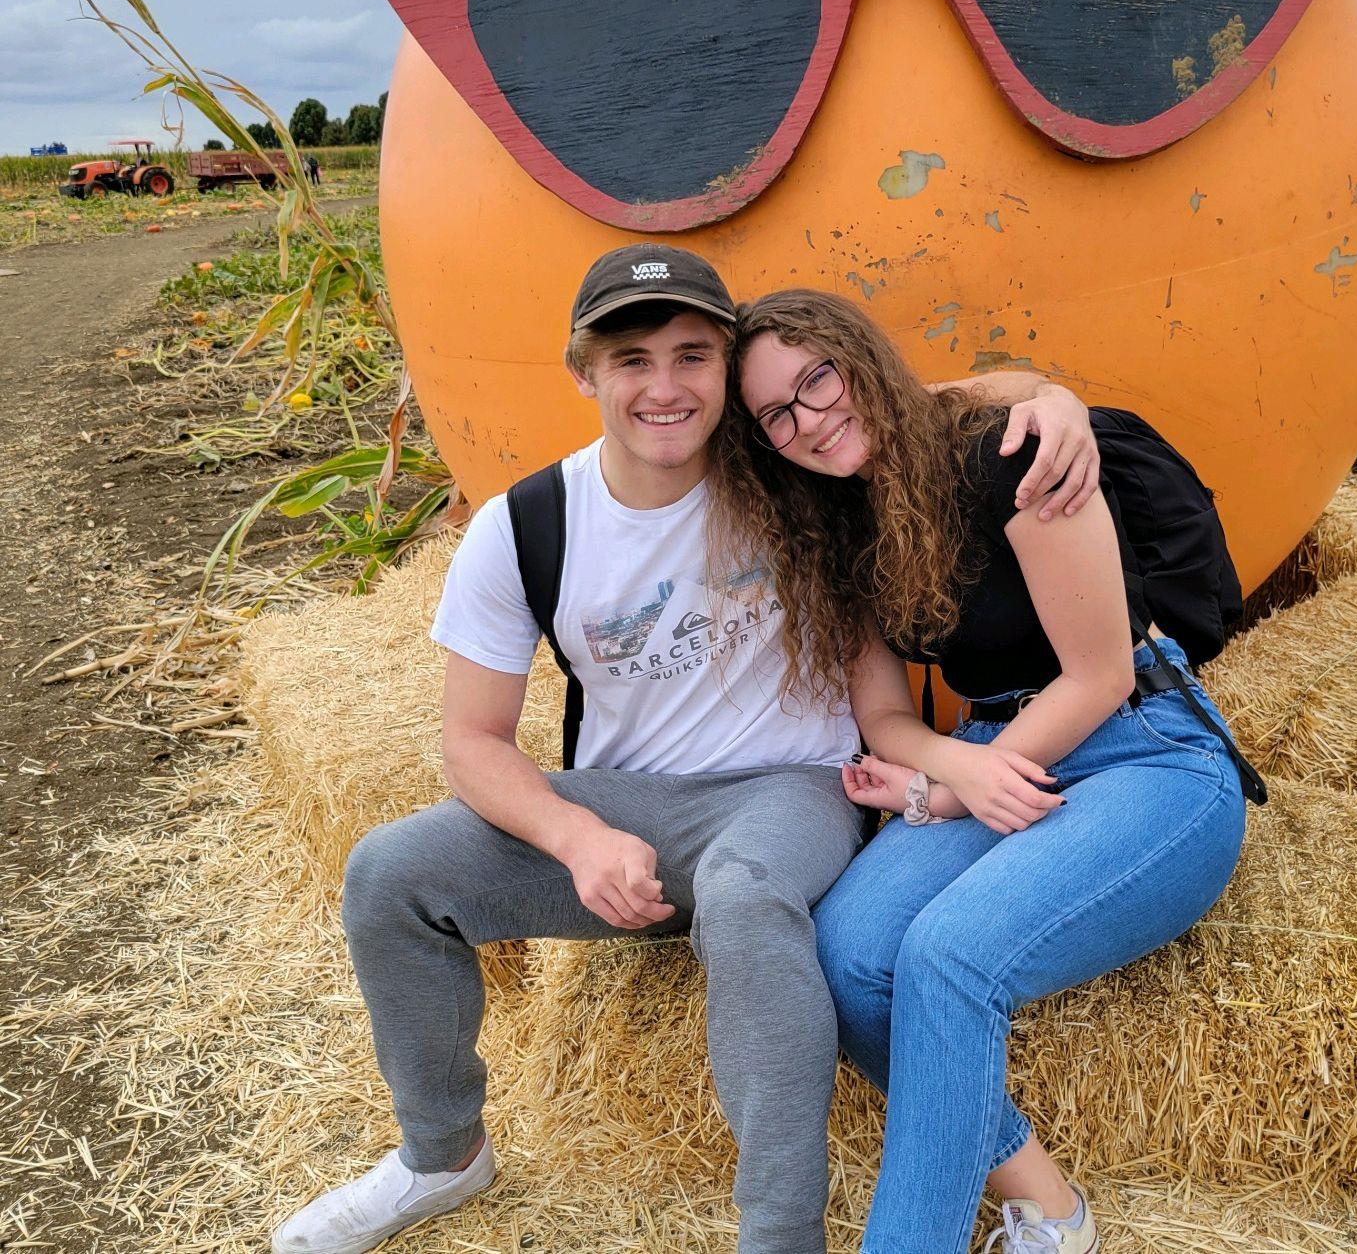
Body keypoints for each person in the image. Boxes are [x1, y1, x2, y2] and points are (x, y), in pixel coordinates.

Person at [271, 244, 1101, 1254]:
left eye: (692, 356)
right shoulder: (525, 527)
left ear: (725, 367)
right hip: (626, 809)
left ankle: (777, 1238)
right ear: (584, 371)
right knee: (388, 873)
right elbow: (472, 746)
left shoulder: (789, 466)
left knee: (750, 895)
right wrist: (578, 839)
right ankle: (441, 1156)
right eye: (631, 360)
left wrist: (1051, 396)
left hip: (791, 792)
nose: (663, 387)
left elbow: (925, 400)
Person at [711, 288, 1251, 1254]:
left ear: (857, 357)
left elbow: (1098, 675)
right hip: (997, 756)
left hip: (1143, 752)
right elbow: (881, 715)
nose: (809, 419)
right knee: (844, 955)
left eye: (818, 379)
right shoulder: (838, 527)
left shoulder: (1004, 454)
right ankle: (1048, 1207)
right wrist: (946, 764)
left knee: (946, 958)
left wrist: (961, 783)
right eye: (776, 416)